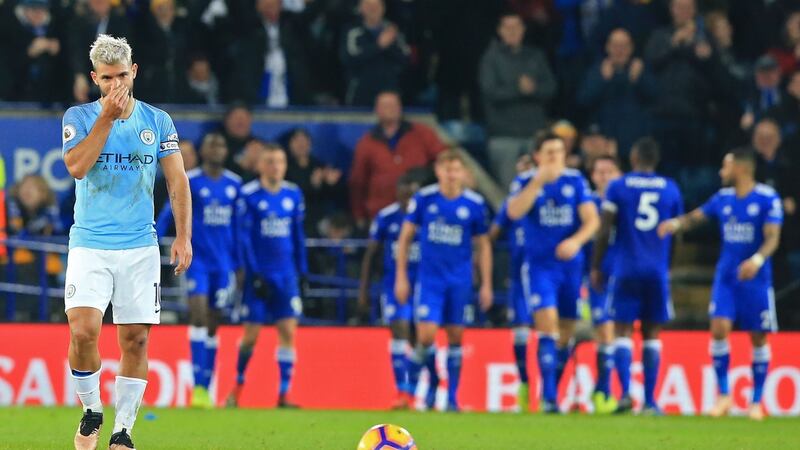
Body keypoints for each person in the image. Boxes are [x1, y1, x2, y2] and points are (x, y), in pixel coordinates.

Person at [62, 35, 192, 450]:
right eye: (106, 79)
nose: (115, 85)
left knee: (135, 338)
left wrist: (184, 235)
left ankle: (123, 430)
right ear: (94, 79)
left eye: (121, 76)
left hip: (139, 245)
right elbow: (78, 168)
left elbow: (177, 180)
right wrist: (106, 118)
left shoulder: (157, 121)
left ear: (133, 72)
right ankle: (91, 409)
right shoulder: (79, 117)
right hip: (90, 243)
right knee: (83, 333)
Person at [658, 148, 782, 421]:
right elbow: (697, 216)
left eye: (725, 166)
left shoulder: (766, 198)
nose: (721, 172)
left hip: (756, 277)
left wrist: (757, 259)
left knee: (758, 335)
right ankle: (724, 396)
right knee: (718, 328)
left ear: (741, 168)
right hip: (726, 276)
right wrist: (676, 224)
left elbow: (773, 238)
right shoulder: (722, 198)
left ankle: (757, 402)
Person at [507, 131, 600, 414]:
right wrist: (537, 181)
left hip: (571, 267)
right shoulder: (526, 182)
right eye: (548, 153)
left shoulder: (575, 180)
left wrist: (576, 241)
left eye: (558, 152)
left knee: (566, 333)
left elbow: (592, 220)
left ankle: (553, 391)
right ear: (538, 156)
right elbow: (513, 212)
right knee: (547, 325)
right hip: (539, 267)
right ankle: (548, 398)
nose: (554, 158)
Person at [395, 149, 493, 412]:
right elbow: (405, 238)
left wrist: (486, 283)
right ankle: (408, 391)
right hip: (430, 280)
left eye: (455, 170)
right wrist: (401, 276)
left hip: (459, 281)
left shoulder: (474, 204)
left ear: (462, 173)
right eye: (446, 170)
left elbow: (483, 245)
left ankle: (452, 398)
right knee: (425, 336)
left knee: (456, 336)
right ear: (438, 171)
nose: (451, 175)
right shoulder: (424, 199)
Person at [591, 137, 683, 415]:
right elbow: (676, 232)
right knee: (652, 334)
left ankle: (625, 393)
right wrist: (669, 266)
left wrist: (596, 265)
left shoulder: (618, 186)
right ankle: (651, 401)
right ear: (655, 160)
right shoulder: (670, 188)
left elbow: (605, 229)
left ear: (633, 158)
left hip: (625, 268)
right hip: (656, 270)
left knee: (622, 331)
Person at [226, 143, 307, 408]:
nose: (276, 167)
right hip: (258, 276)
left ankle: (284, 394)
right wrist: (252, 272)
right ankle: (237, 387)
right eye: (270, 161)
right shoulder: (248, 195)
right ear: (260, 165)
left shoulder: (293, 194)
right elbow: (243, 238)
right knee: (251, 336)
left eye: (280, 161)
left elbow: (297, 236)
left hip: (286, 275)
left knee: (288, 332)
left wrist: (302, 270)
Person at [180, 133, 241, 408]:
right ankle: (198, 388)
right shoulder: (191, 180)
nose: (217, 148)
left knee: (214, 323)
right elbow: (172, 213)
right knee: (198, 315)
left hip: (224, 265)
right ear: (203, 150)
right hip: (198, 262)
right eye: (212, 144)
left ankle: (205, 384)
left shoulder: (235, 184)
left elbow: (241, 229)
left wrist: (240, 266)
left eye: (221, 144)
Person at [357, 174, 420, 409]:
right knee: (399, 328)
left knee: (420, 338)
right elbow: (371, 254)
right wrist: (363, 289)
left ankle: (419, 390)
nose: (407, 199)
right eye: (403, 194)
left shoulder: (427, 217)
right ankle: (401, 391)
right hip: (394, 284)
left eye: (411, 194)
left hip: (423, 285)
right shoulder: (386, 217)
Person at [479, 13, 556, 188]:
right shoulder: (491, 58)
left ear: (523, 30)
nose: (513, 31)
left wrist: (533, 89)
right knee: (510, 192)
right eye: (508, 27)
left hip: (534, 134)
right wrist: (519, 89)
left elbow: (551, 88)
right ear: (500, 31)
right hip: (503, 137)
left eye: (517, 26)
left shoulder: (536, 56)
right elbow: (489, 92)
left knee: (540, 190)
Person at [349, 91, 445, 229]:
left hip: (421, 212)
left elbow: (443, 158)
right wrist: (359, 215)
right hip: (381, 214)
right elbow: (357, 182)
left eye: (394, 104)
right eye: (386, 105)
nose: (391, 108)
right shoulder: (366, 143)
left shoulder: (422, 133)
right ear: (377, 110)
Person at [584, 155, 622, 413]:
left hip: (621, 276)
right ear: (593, 176)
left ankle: (602, 390)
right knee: (605, 333)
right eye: (600, 171)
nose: (605, 176)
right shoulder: (586, 205)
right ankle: (603, 393)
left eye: (610, 171)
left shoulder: (627, 204)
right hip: (596, 279)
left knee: (611, 335)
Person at [340, 0, 410, 106]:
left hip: (389, 90)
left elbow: (405, 58)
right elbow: (349, 59)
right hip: (360, 91)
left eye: (377, 5)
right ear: (361, 8)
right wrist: (379, 46)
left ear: (383, 8)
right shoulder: (352, 31)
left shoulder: (393, 30)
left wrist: (388, 45)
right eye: (368, 5)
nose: (373, 9)